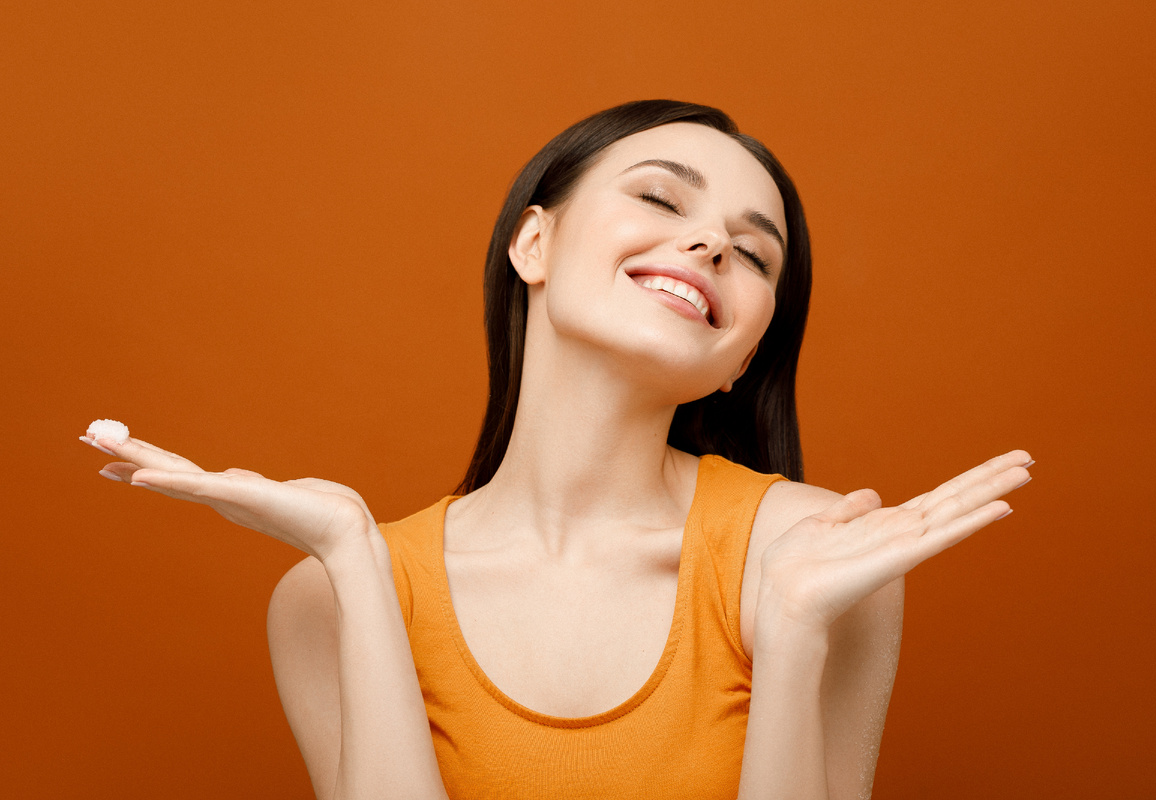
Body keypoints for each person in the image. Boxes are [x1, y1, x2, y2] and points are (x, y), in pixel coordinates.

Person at [80, 100, 1032, 800]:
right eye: (660, 197)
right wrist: (355, 561)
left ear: (743, 356)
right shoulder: (327, 596)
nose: (710, 242)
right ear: (532, 243)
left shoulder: (817, 556)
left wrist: (793, 632)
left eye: (754, 253)